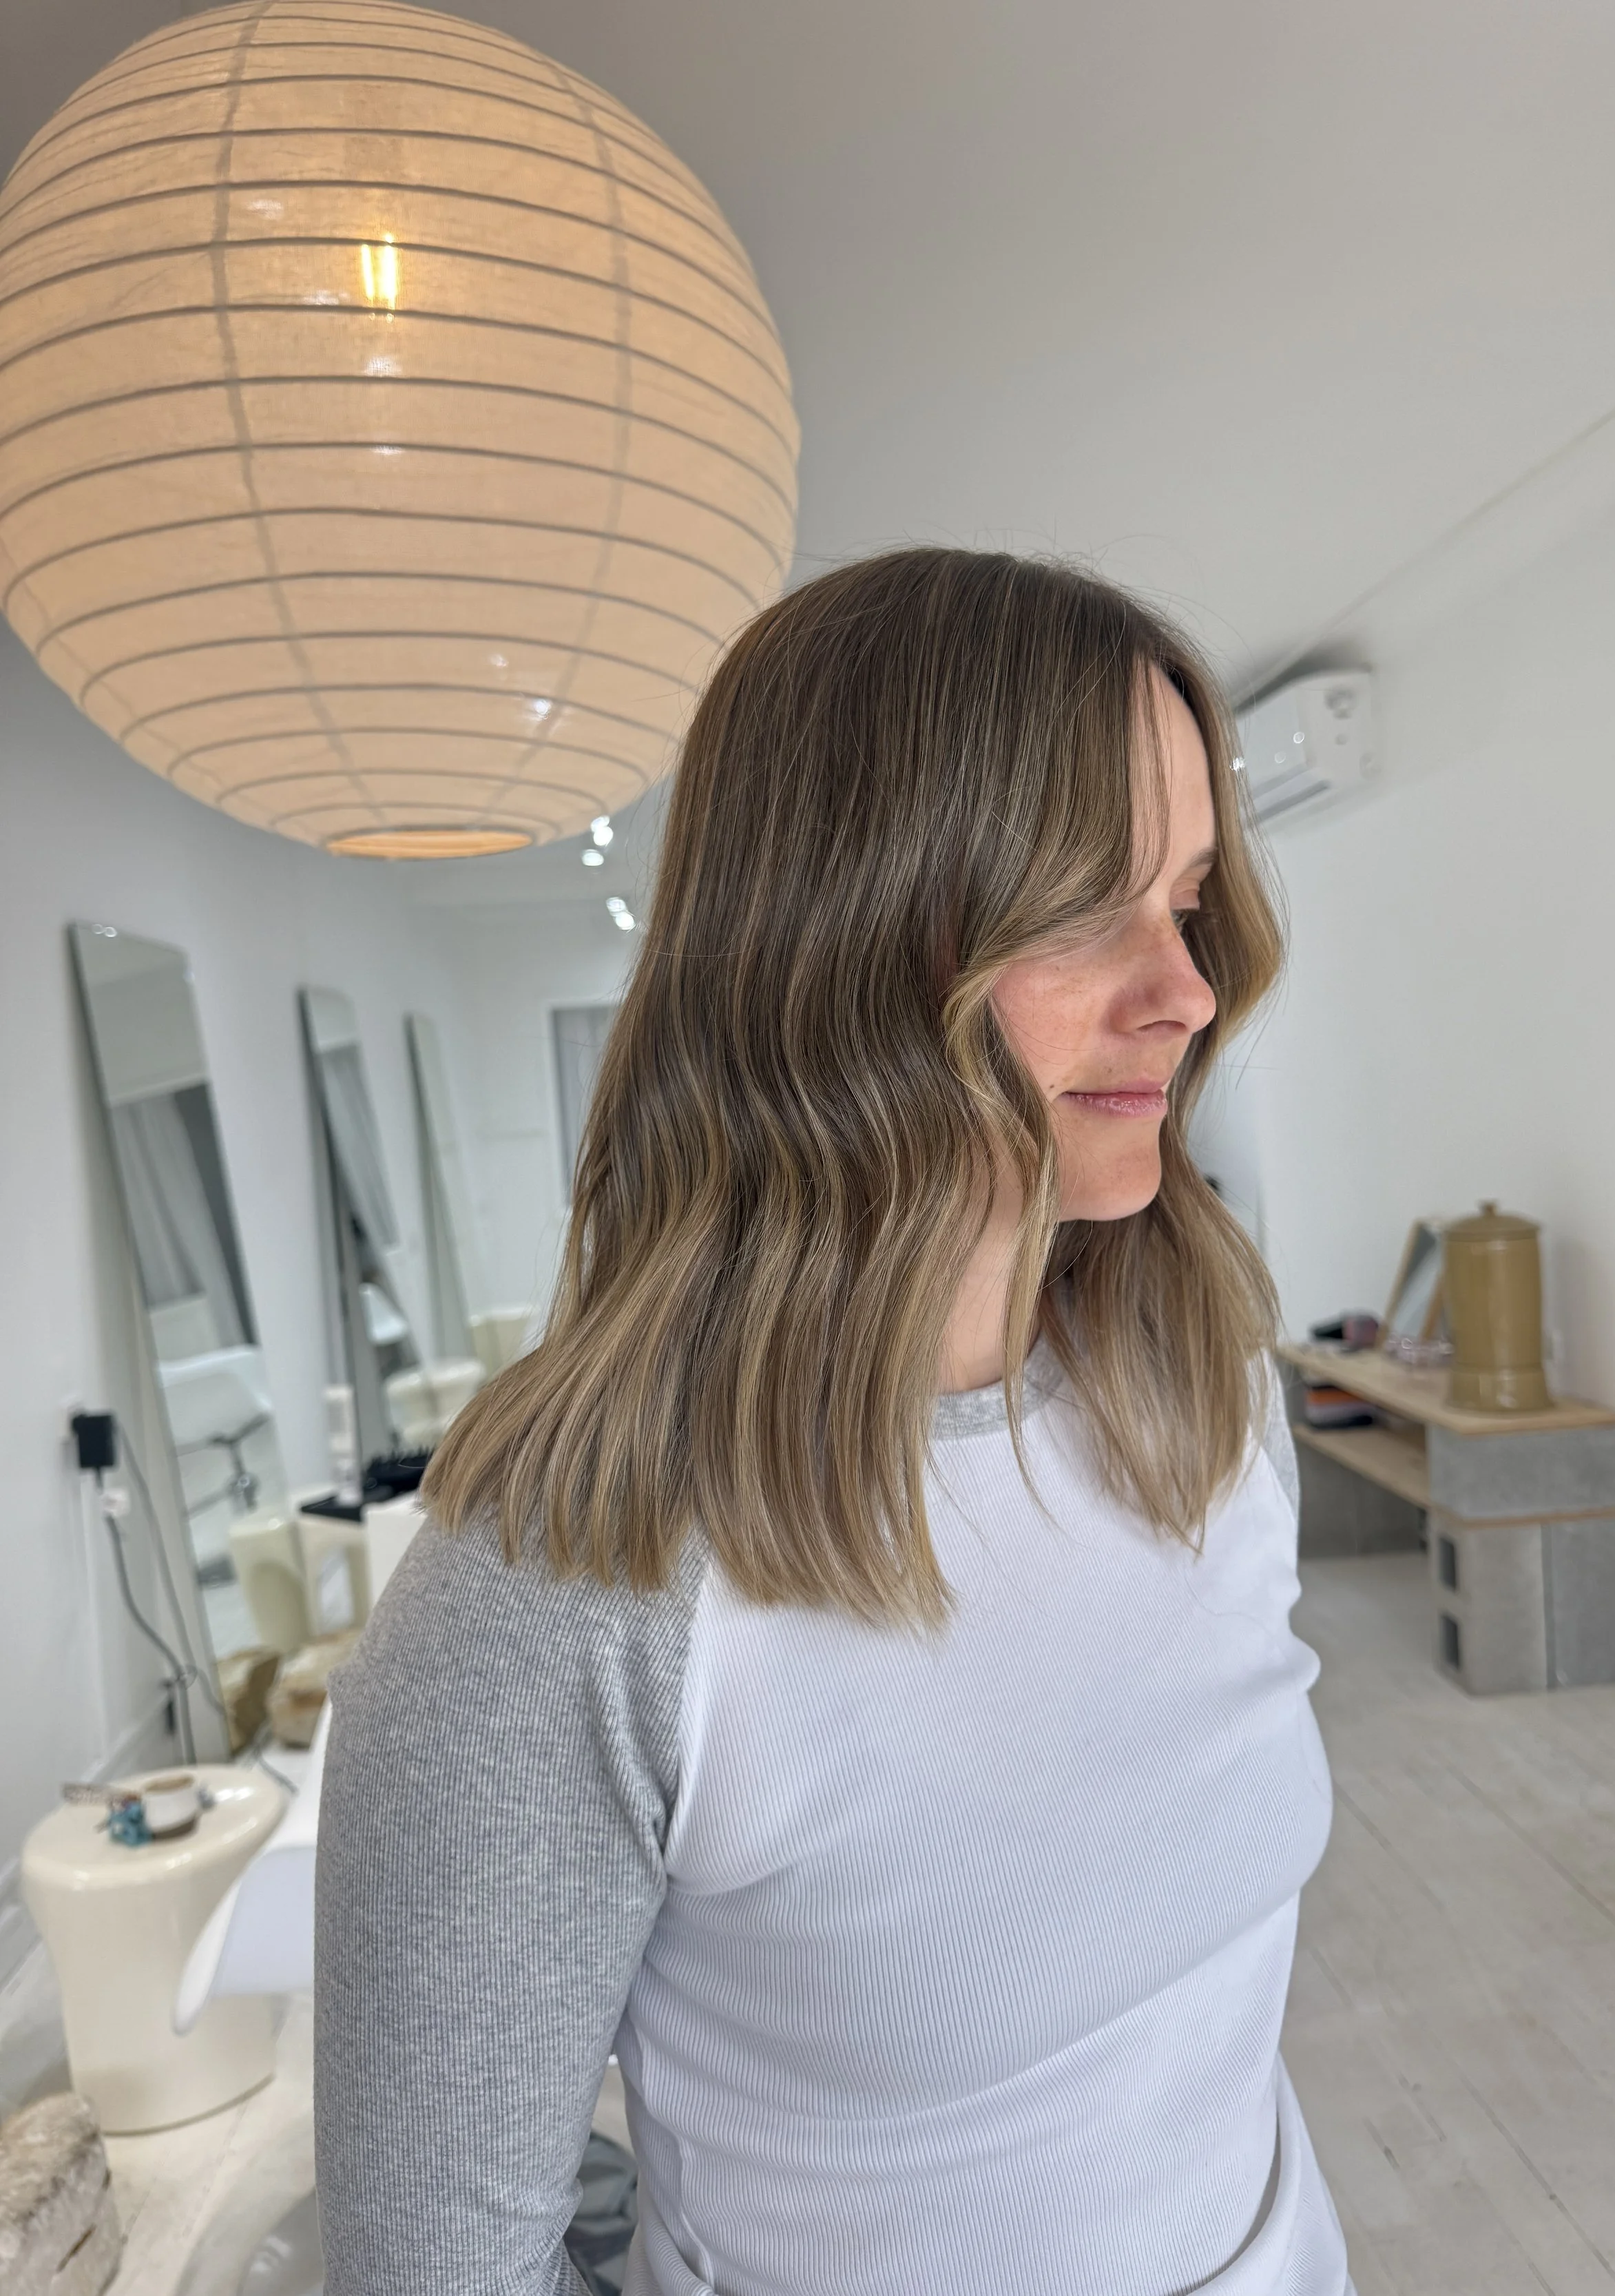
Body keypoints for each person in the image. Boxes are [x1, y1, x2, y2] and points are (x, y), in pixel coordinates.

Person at [315, 548, 1351, 2296]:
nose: (1183, 989)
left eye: (1184, 901)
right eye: (1080, 908)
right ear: (839, 943)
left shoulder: (1203, 1399)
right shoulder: (566, 1594)